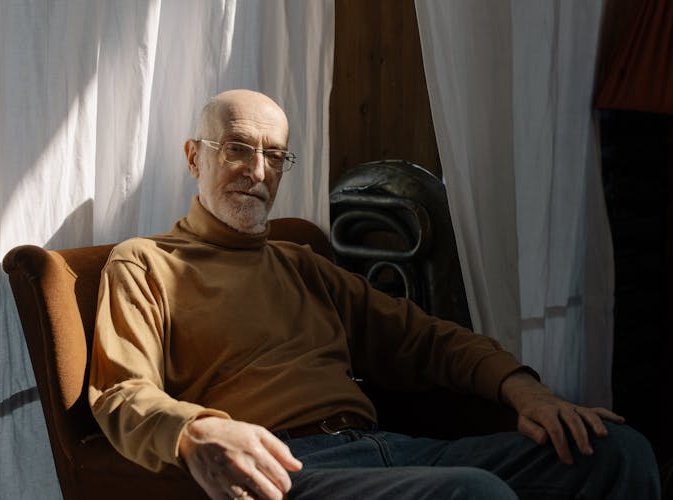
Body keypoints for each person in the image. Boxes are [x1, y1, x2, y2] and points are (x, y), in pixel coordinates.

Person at [89, 89, 660, 499]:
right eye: (237, 148)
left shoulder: (302, 264)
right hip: (285, 467)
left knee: (616, 452)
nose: (257, 171)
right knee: (470, 492)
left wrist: (523, 390)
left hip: (389, 448)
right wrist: (196, 431)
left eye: (274, 156)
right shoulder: (145, 262)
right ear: (195, 156)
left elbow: (427, 340)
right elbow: (122, 392)